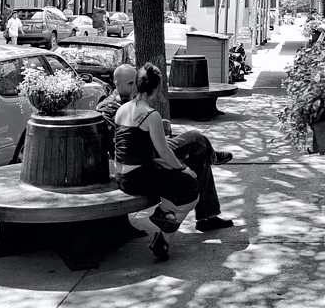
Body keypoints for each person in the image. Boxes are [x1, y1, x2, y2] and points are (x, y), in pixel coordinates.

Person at [98, 65, 234, 241]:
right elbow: (120, 144)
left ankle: (205, 216)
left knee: (197, 155)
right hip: (143, 159)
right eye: (131, 83)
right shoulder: (109, 107)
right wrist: (176, 164)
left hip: (147, 154)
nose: (135, 87)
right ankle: (211, 160)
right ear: (116, 83)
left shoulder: (129, 105)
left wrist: (157, 130)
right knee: (195, 141)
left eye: (136, 83)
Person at [113, 63, 200, 261]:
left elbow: (132, 150)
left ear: (137, 85)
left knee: (175, 187)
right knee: (191, 188)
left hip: (122, 176)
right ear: (157, 88)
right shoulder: (151, 115)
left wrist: (165, 165)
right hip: (138, 178)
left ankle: (163, 240)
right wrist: (183, 169)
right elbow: (164, 151)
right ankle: (161, 215)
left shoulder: (123, 109)